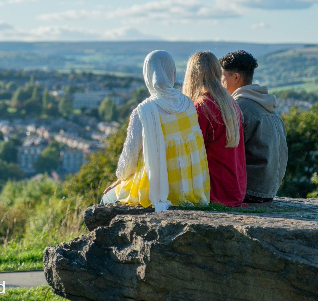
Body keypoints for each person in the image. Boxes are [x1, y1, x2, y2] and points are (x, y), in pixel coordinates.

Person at [101, 50, 209, 211]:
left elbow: (129, 158)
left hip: (155, 191)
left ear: (148, 74)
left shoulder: (144, 111)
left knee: (105, 199)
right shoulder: (187, 104)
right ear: (171, 72)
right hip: (193, 190)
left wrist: (120, 180)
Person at [219, 50, 288, 203]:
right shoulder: (268, 107)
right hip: (269, 190)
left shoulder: (239, 108)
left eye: (222, 78)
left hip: (249, 191)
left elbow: (225, 153)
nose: (221, 84)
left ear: (236, 77)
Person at [182, 51, 247, 206]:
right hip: (235, 191)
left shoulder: (202, 106)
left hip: (214, 192)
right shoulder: (230, 103)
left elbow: (189, 154)